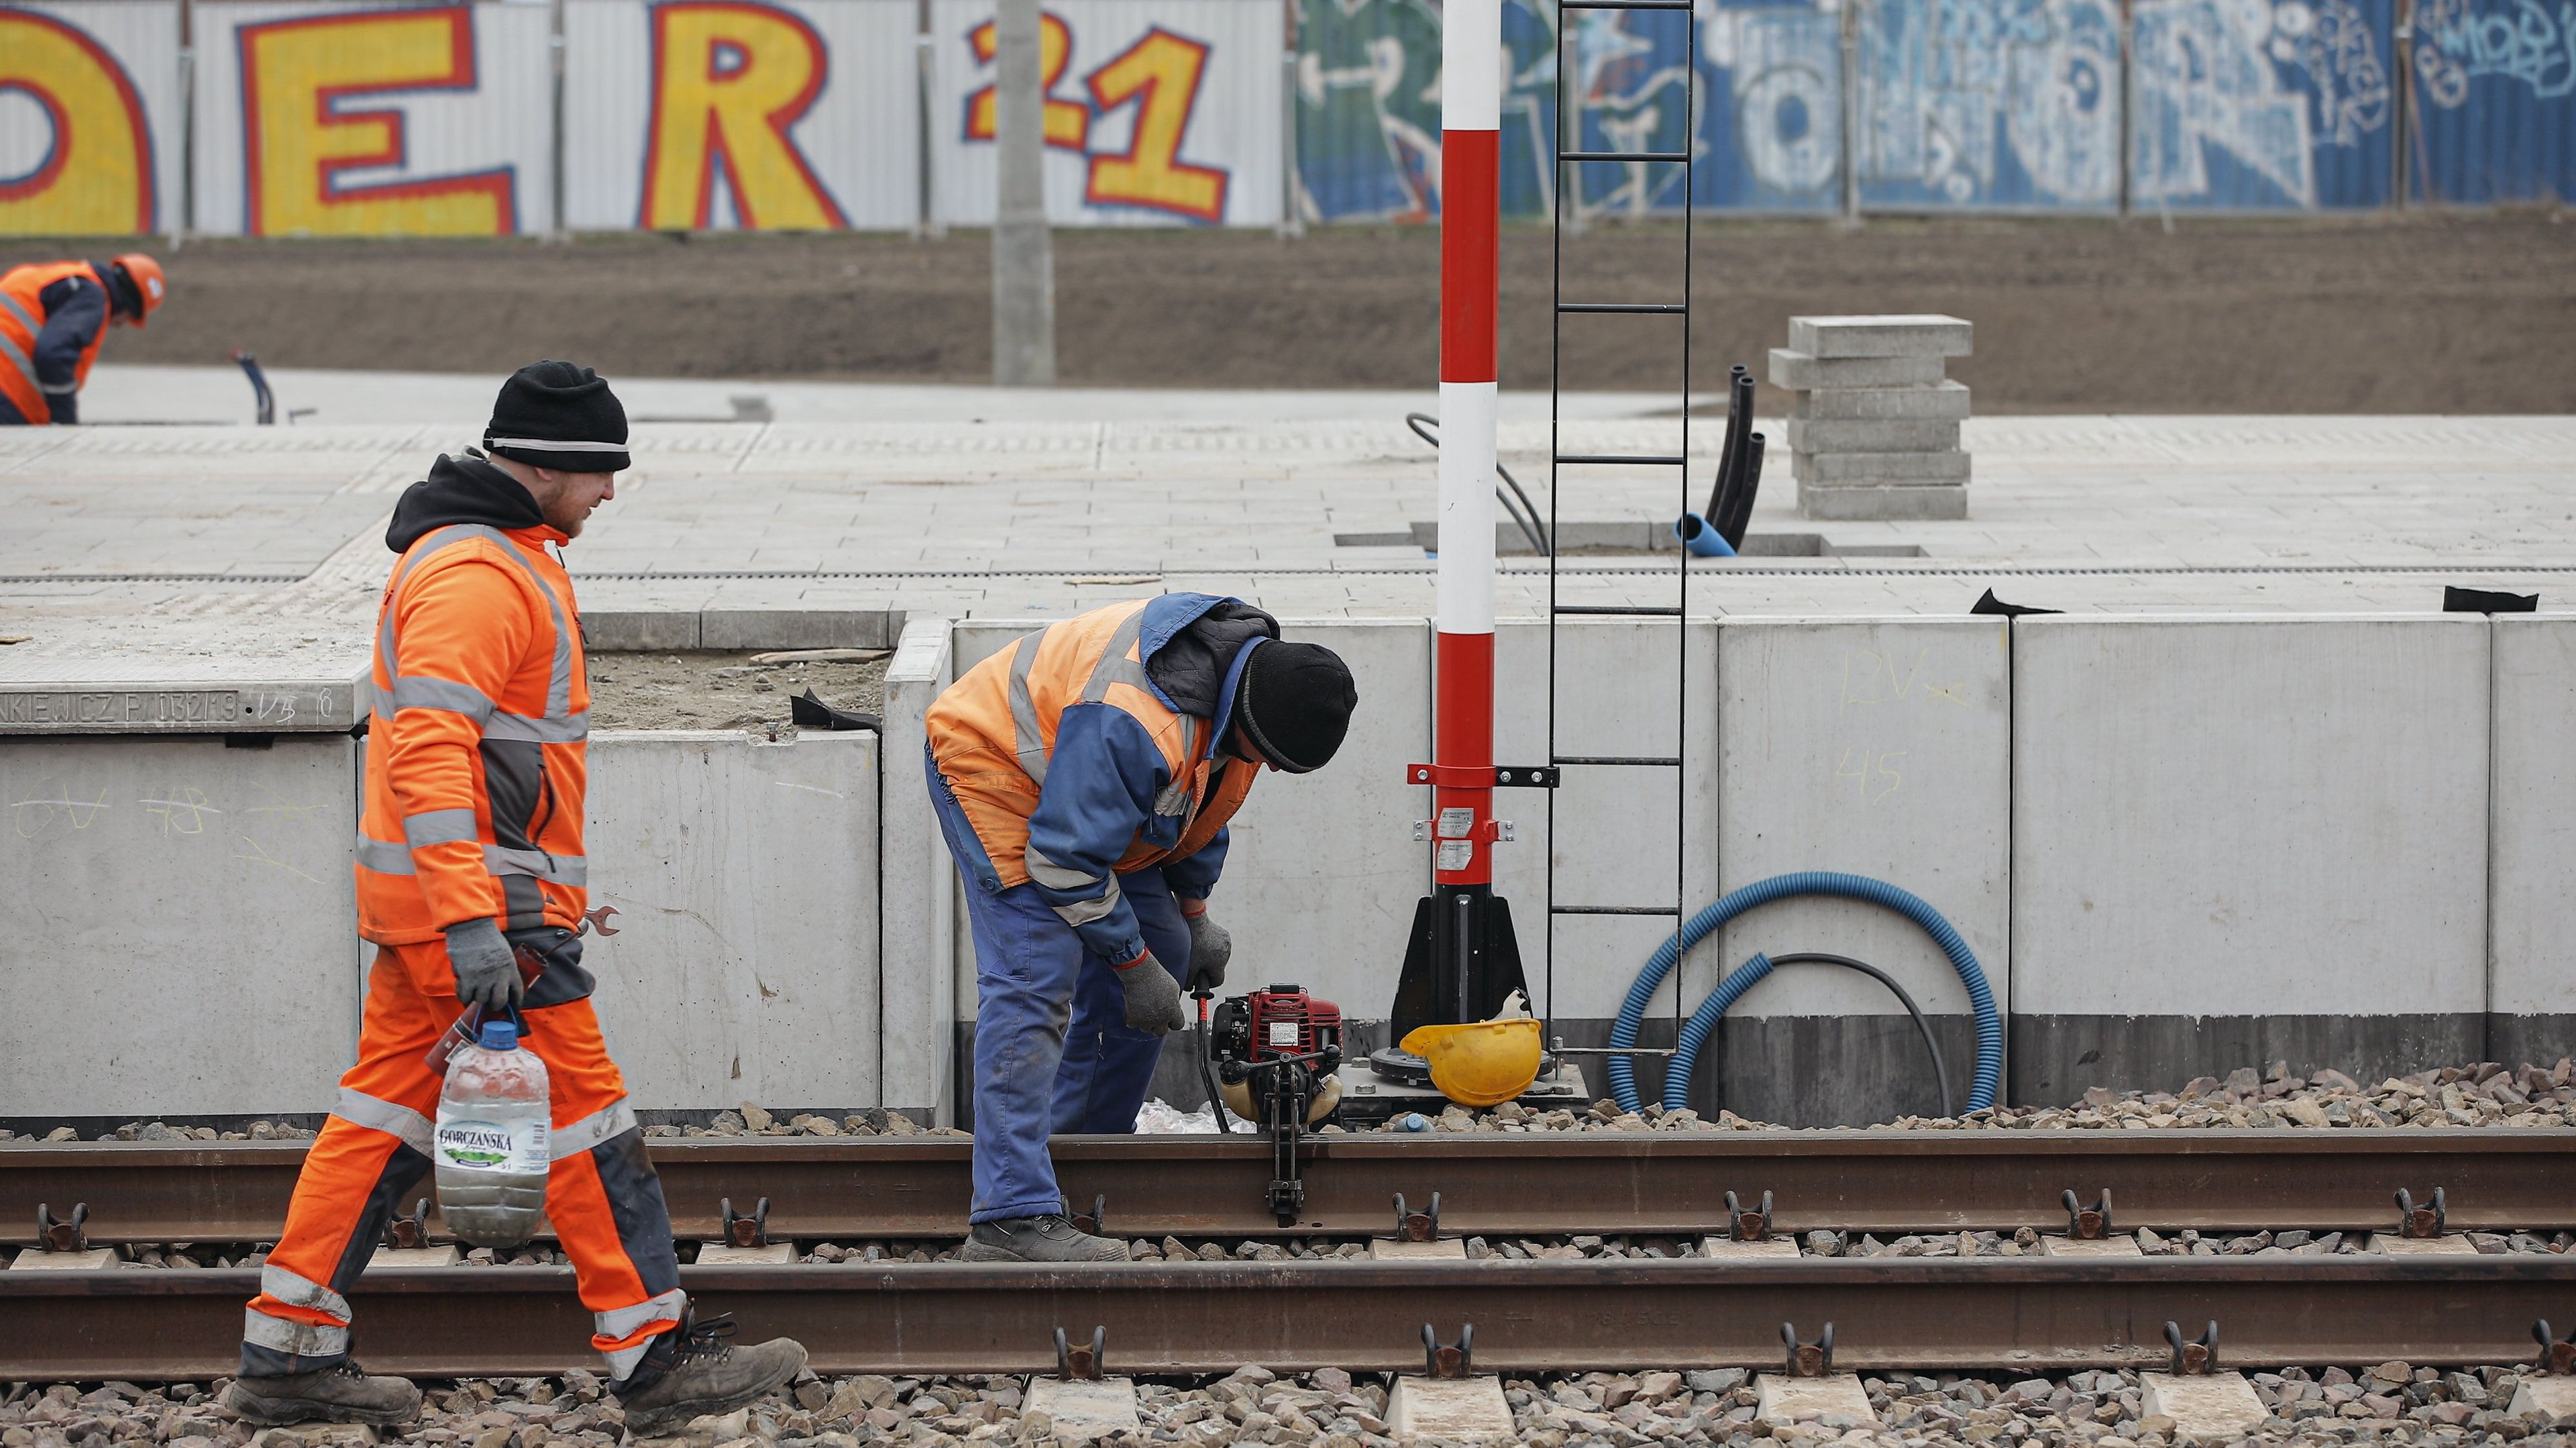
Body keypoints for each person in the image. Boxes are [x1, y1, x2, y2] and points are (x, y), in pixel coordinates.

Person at [227, 362, 805, 1429]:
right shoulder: (480, 575)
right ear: (539, 465)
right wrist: (476, 917)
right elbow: (434, 755)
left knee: (378, 1121)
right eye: (598, 474)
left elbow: (485, 759)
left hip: (472, 908)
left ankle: (288, 1349)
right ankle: (652, 1357)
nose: (611, 495)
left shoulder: (497, 556)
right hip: (487, 919)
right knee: (589, 1121)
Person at [926, 594, 1359, 1261]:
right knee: (1035, 978)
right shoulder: (1139, 722)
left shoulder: (1244, 694)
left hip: (1085, 795)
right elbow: (1062, 857)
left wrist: (1193, 917)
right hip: (998, 769)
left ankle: (1086, 1148)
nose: (1269, 769)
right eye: (1270, 756)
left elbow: (1198, 809)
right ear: (1249, 719)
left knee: (1168, 951)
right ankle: (1010, 1217)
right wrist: (1131, 966)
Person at [0, 254, 164, 425]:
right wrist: (64, 421)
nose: (122, 324)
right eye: (129, 317)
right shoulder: (91, 296)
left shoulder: (62, 276)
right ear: (130, 305)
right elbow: (54, 355)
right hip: (8, 393)